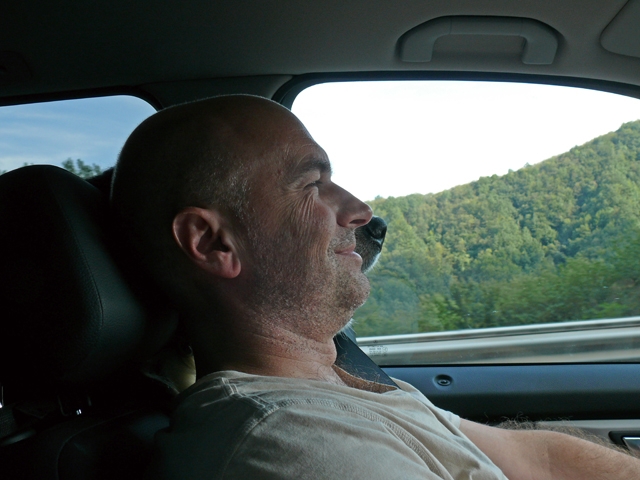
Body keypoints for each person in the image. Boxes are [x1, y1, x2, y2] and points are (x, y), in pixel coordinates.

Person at [111, 95, 640, 479]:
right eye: (313, 185)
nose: (362, 211)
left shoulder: (337, 389)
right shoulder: (290, 441)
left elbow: (535, 458)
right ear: (212, 243)